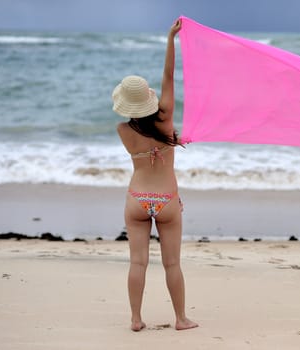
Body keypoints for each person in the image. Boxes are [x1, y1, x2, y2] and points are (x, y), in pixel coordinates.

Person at [112, 18, 197, 332]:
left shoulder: (123, 130)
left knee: (137, 263)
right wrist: (170, 38)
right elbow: (168, 76)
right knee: (172, 263)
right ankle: (181, 319)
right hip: (167, 201)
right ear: (148, 98)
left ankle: (136, 319)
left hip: (137, 199)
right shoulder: (165, 121)